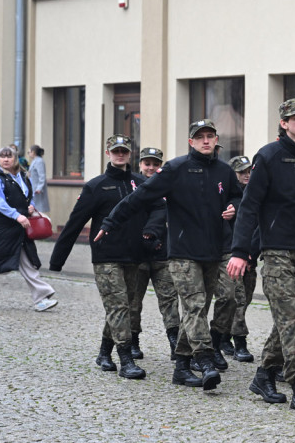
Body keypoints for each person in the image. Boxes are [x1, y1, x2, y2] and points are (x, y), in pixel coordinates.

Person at [100, 119, 239, 392]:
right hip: (182, 253)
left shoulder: (224, 171)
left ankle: (181, 368)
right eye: (200, 137)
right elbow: (140, 197)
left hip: (213, 252)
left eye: (210, 136)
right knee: (195, 306)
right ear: (191, 141)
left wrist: (234, 205)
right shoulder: (176, 169)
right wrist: (111, 221)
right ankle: (205, 359)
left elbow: (238, 196)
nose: (206, 141)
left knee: (196, 310)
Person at [228, 98, 295, 414]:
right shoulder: (269, 156)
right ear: (284, 123)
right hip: (275, 252)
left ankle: (263, 376)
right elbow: (249, 206)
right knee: (290, 317)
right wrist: (241, 251)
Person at [49, 135, 163, 380]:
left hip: (134, 255)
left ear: (130, 154)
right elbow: (74, 223)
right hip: (106, 256)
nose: (120, 154)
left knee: (126, 308)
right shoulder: (96, 186)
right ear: (108, 153)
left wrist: (151, 234)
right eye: (115, 151)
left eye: (124, 151)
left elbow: (158, 208)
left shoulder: (140, 183)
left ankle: (103, 352)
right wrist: (57, 260)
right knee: (118, 305)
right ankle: (126, 359)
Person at [0, 146, 57, 312]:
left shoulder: (22, 175)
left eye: (9, 156)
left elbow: (29, 196)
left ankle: (41, 298)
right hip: (0, 227)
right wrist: (17, 215)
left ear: (15, 158)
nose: (5, 159)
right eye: (2, 156)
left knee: (29, 262)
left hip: (20, 228)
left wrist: (30, 207)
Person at [127, 146, 182, 360]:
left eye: (155, 164)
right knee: (133, 301)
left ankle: (174, 342)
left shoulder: (170, 186)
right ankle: (133, 341)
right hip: (138, 254)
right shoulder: (132, 186)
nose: (151, 168)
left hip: (163, 254)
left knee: (170, 300)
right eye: (147, 163)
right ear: (140, 164)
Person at [215, 154, 257, 364]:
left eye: (249, 171)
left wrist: (253, 252)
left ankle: (224, 336)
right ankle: (239, 341)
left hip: (252, 256)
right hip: (232, 256)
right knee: (236, 298)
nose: (247, 175)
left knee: (245, 299)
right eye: (242, 172)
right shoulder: (229, 198)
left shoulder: (256, 193)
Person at [28, 145, 50, 214]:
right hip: (33, 187)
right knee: (35, 208)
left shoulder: (39, 161)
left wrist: (39, 188)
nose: (28, 154)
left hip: (37, 190)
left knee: (39, 209)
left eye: (29, 152)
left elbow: (42, 175)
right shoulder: (35, 161)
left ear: (33, 152)